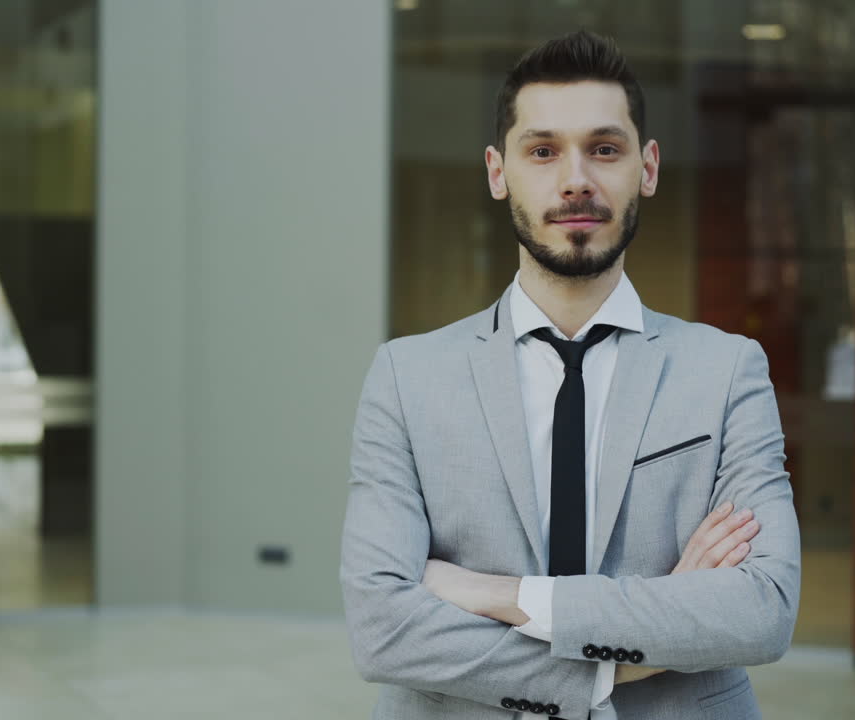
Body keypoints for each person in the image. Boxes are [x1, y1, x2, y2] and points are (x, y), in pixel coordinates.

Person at [340, 29, 800, 720]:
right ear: (498, 172)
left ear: (647, 167)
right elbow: (382, 630)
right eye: (543, 151)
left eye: (604, 149)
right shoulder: (406, 377)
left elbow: (762, 610)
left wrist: (506, 596)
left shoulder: (728, 370)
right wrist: (626, 661)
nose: (576, 179)